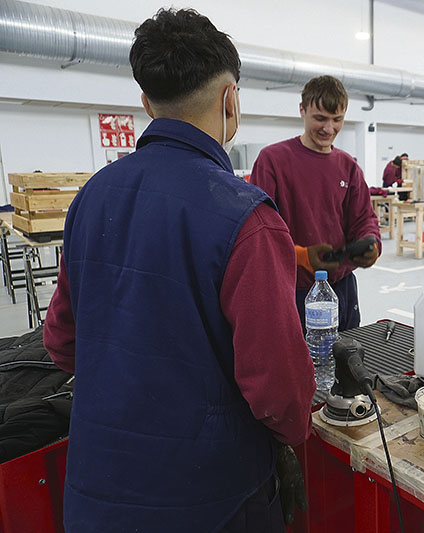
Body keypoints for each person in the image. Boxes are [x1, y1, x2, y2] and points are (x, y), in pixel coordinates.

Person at [42, 9, 315, 532]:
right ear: (230, 99)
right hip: (210, 500)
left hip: (97, 490)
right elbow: (280, 391)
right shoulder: (247, 216)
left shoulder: (91, 197)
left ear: (147, 103)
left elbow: (62, 342)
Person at [250, 75, 381, 331]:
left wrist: (371, 243)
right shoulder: (273, 160)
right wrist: (301, 256)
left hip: (342, 288)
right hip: (294, 290)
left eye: (337, 120)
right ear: (302, 110)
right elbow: (259, 229)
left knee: (346, 364)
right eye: (320, 118)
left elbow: (364, 218)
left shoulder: (348, 166)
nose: (329, 129)